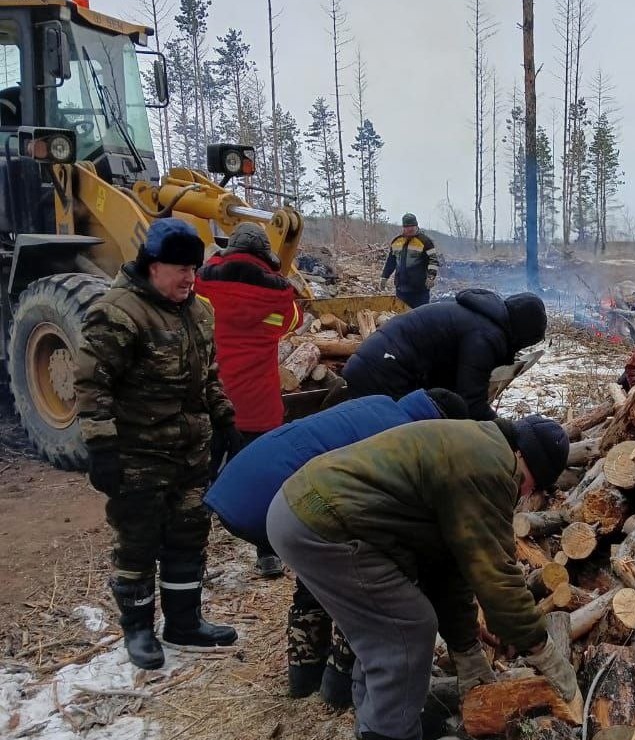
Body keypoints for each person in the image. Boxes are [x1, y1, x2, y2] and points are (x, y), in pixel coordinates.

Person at [266, 413, 578, 740]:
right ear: (522, 458)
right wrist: (543, 650)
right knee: (406, 625)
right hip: (322, 522)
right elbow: (495, 573)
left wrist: (466, 651)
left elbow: (450, 571)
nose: (525, 494)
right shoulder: (491, 467)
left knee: (384, 622)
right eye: (531, 484)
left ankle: (383, 722)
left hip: (308, 510)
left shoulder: (476, 447)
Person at [203, 387, 470, 700]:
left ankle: (305, 674)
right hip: (271, 498)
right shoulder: (403, 439)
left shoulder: (380, 402)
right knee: (354, 576)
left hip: (241, 482)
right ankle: (340, 680)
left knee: (319, 567)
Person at [75, 218, 239, 671]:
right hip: (139, 456)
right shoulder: (118, 312)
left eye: (193, 267)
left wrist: (226, 420)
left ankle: (184, 622)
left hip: (190, 453)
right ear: (152, 266)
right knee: (139, 542)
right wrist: (102, 448)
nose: (190, 277)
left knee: (189, 536)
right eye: (179, 268)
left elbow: (208, 377)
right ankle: (140, 631)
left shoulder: (199, 310)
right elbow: (92, 387)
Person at [194, 222, 302, 578]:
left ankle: (193, 557)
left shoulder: (203, 286)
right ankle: (268, 554)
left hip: (211, 399)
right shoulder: (280, 296)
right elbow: (292, 323)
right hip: (259, 406)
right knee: (264, 481)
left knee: (199, 477)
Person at [337, 288, 547, 420]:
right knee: (398, 439)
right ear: (522, 333)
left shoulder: (482, 320)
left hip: (376, 366)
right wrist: (507, 433)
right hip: (381, 374)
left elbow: (451, 387)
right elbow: (470, 403)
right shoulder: (485, 337)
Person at [380, 212, 439, 308]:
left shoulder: (425, 242)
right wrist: (384, 277)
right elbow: (391, 262)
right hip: (401, 289)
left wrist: (431, 276)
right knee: (402, 317)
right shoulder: (396, 242)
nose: (410, 228)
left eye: (413, 226)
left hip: (419, 290)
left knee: (420, 318)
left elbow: (433, 260)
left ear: (417, 226)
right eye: (407, 226)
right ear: (403, 227)